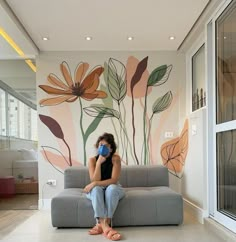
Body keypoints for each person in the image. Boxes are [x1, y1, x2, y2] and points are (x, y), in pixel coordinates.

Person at [84, 133, 125, 241]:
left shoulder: (115, 158)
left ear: (111, 149)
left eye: (106, 146)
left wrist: (95, 183)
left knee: (111, 188)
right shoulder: (92, 160)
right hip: (97, 189)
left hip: (113, 187)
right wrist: (98, 163)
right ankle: (105, 226)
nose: (102, 147)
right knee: (96, 190)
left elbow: (114, 180)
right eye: (100, 145)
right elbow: (94, 180)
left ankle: (101, 224)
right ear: (97, 147)